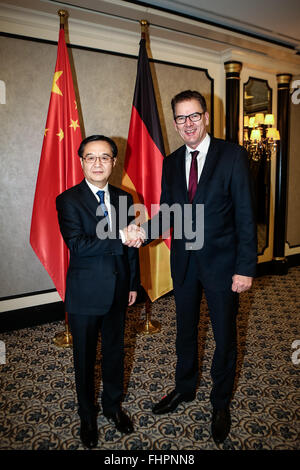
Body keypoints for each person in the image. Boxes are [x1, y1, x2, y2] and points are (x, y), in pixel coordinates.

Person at [126, 90, 257, 444]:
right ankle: (184, 387)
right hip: (183, 263)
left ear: (206, 117)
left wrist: (245, 268)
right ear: (174, 122)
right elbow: (170, 212)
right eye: (181, 118)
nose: (188, 124)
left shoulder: (232, 156)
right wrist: (142, 232)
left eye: (194, 116)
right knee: (185, 332)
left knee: (225, 337)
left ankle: (220, 402)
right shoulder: (170, 162)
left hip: (223, 265)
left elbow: (245, 216)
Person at [56, 135, 142, 449]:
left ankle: (112, 406)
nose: (97, 163)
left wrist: (134, 283)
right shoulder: (67, 200)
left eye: (104, 157)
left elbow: (132, 246)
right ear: (81, 162)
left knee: (115, 353)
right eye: (90, 157)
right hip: (85, 293)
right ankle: (87, 415)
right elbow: (78, 245)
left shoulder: (124, 198)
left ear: (113, 162)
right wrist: (120, 235)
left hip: (120, 289)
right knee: (85, 356)